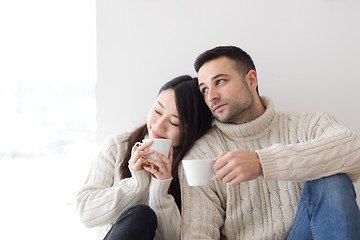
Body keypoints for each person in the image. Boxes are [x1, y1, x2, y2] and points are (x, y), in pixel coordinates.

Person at [179, 46, 360, 239]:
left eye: (220, 81)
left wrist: (262, 162)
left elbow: (354, 149)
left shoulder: (309, 125)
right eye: (204, 89)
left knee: (331, 178)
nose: (211, 96)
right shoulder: (201, 155)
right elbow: (197, 235)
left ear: (251, 80)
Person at [76, 75, 212, 240]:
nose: (159, 125)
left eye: (175, 123)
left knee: (143, 215)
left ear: (192, 131)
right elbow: (86, 213)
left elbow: (175, 237)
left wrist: (160, 189)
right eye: (157, 111)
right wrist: (136, 184)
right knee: (140, 214)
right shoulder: (117, 147)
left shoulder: (192, 166)